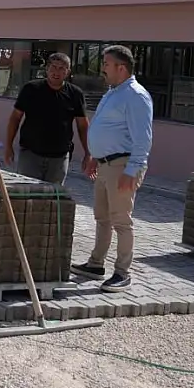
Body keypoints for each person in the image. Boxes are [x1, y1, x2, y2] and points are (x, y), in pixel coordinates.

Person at [72, 45, 154, 293]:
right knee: (102, 217)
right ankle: (96, 264)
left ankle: (122, 272)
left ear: (121, 67)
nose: (102, 68)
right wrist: (95, 156)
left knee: (121, 220)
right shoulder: (113, 92)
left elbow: (143, 138)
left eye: (106, 63)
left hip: (122, 165)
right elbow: (106, 129)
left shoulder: (135, 95)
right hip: (105, 164)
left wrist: (132, 169)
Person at [4, 53, 89, 185]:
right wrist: (8, 146)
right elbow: (15, 118)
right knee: (27, 195)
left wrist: (88, 153)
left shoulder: (75, 94)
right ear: (47, 69)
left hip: (59, 157)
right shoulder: (31, 89)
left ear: (68, 72)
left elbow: (82, 125)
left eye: (62, 68)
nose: (57, 72)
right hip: (30, 154)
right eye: (53, 67)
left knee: (53, 198)